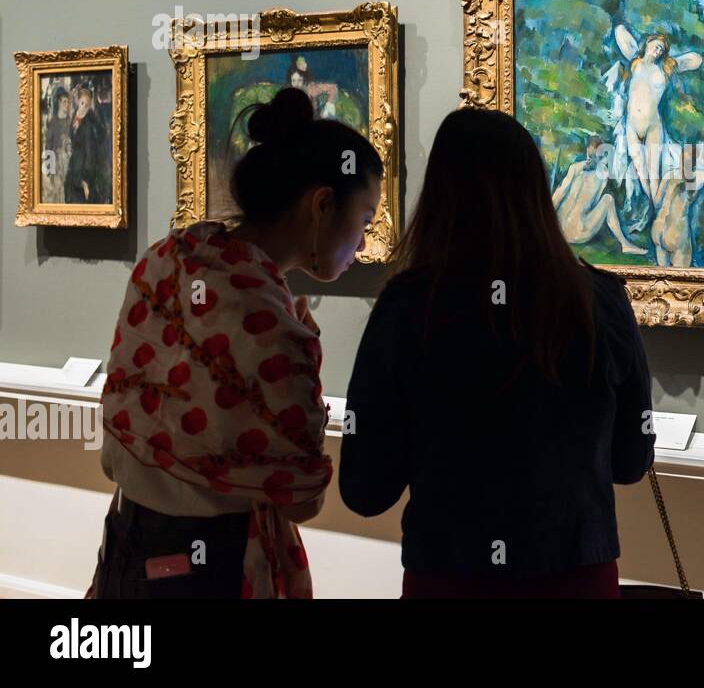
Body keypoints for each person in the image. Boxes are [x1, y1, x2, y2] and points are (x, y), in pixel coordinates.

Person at [340, 107, 656, 598]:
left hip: (450, 578)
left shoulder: (409, 308)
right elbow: (631, 463)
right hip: (576, 578)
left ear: (441, 196)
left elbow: (365, 490)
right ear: (536, 190)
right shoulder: (601, 300)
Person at [87, 87, 383, 599]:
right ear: (322, 204)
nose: (363, 243)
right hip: (208, 567)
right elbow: (301, 494)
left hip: (126, 544)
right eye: (365, 220)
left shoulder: (169, 257)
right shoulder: (273, 325)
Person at [612, 26, 702, 230]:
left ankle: (659, 217)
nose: (659, 51)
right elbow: (619, 31)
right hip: (632, 126)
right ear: (648, 43)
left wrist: (675, 60)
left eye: (662, 49)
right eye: (656, 46)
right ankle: (656, 212)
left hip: (653, 126)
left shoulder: (665, 68)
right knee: (641, 172)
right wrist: (640, 51)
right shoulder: (635, 63)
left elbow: (697, 60)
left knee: (654, 175)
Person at [552, 135, 647, 256]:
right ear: (587, 150)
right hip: (562, 229)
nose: (590, 160)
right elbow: (559, 194)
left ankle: (625, 245)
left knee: (608, 199)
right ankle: (625, 244)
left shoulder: (600, 174)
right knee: (608, 199)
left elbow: (590, 204)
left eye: (594, 157)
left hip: (576, 230)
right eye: (589, 156)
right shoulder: (575, 168)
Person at [64, 84, 108, 203]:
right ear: (78, 101)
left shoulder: (88, 125)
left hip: (84, 168)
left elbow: (89, 152)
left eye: (87, 105)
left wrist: (85, 180)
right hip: (75, 163)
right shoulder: (74, 115)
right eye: (82, 103)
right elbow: (73, 138)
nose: (84, 107)